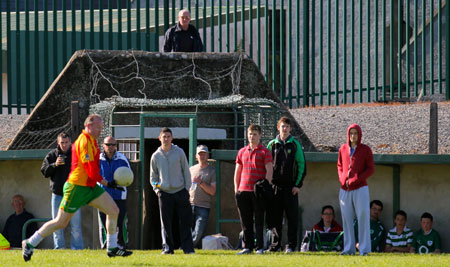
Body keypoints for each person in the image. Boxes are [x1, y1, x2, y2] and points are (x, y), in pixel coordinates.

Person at [22, 114, 132, 262]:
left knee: (114, 211)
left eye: (101, 127)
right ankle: (29, 243)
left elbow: (93, 172)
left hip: (90, 186)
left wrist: (106, 183)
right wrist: (107, 183)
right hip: (76, 187)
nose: (101, 130)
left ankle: (112, 247)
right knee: (60, 222)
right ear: (88, 126)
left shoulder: (93, 141)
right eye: (98, 127)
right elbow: (90, 171)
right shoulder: (84, 142)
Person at [150, 127, 195, 254]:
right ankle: (168, 248)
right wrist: (157, 190)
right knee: (165, 223)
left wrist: (187, 189)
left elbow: (186, 171)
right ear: (159, 138)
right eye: (164, 136)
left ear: (172, 138)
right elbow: (153, 177)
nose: (166, 139)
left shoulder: (179, 152)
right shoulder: (155, 156)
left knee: (185, 222)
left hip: (181, 191)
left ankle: (188, 249)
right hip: (164, 193)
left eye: (168, 136)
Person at [266, 116, 306, 253]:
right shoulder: (272, 144)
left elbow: (302, 165)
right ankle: (275, 246)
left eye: (287, 126)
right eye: (282, 126)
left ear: (290, 128)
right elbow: (265, 166)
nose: (285, 128)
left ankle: (290, 246)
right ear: (278, 127)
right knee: (275, 218)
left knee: (292, 218)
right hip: (275, 187)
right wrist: (268, 184)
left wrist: (297, 185)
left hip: (290, 188)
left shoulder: (295, 144)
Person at [41, 132, 84, 250]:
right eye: (62, 143)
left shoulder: (76, 154)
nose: (64, 145)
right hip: (57, 195)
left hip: (74, 195)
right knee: (57, 225)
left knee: (76, 226)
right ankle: (59, 249)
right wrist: (55, 164)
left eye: (66, 142)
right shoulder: (52, 155)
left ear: (70, 142)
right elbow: (44, 171)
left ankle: (78, 249)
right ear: (58, 143)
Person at [234, 124, 273, 255]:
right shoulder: (241, 152)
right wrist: (236, 189)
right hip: (243, 190)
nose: (252, 136)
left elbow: (269, 170)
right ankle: (247, 247)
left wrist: (265, 186)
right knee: (245, 221)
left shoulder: (264, 151)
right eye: (250, 134)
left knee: (259, 220)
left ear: (260, 136)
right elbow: (237, 172)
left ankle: (260, 247)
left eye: (255, 134)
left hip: (258, 192)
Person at [337, 124, 374, 256]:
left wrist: (357, 179)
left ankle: (364, 249)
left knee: (363, 217)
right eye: (351, 133)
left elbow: (370, 169)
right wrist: (342, 179)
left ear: (359, 135)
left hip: (360, 188)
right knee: (346, 219)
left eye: (355, 133)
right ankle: (348, 249)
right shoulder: (342, 149)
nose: (353, 136)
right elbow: (340, 165)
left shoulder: (365, 150)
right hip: (344, 189)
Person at [98, 136, 131, 249]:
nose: (110, 147)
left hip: (119, 196)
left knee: (120, 222)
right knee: (104, 223)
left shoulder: (122, 159)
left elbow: (129, 176)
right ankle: (106, 245)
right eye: (108, 144)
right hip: (102, 195)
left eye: (113, 145)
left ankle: (122, 244)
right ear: (103, 145)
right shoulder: (98, 159)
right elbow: (94, 176)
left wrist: (119, 183)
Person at [189, 144, 216, 247]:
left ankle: (188, 247)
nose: (202, 156)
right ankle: (188, 247)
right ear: (196, 156)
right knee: (187, 229)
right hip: (190, 204)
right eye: (200, 154)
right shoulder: (191, 169)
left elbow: (212, 191)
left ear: (208, 155)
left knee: (198, 231)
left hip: (203, 206)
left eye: (204, 154)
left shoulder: (212, 171)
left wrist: (200, 182)